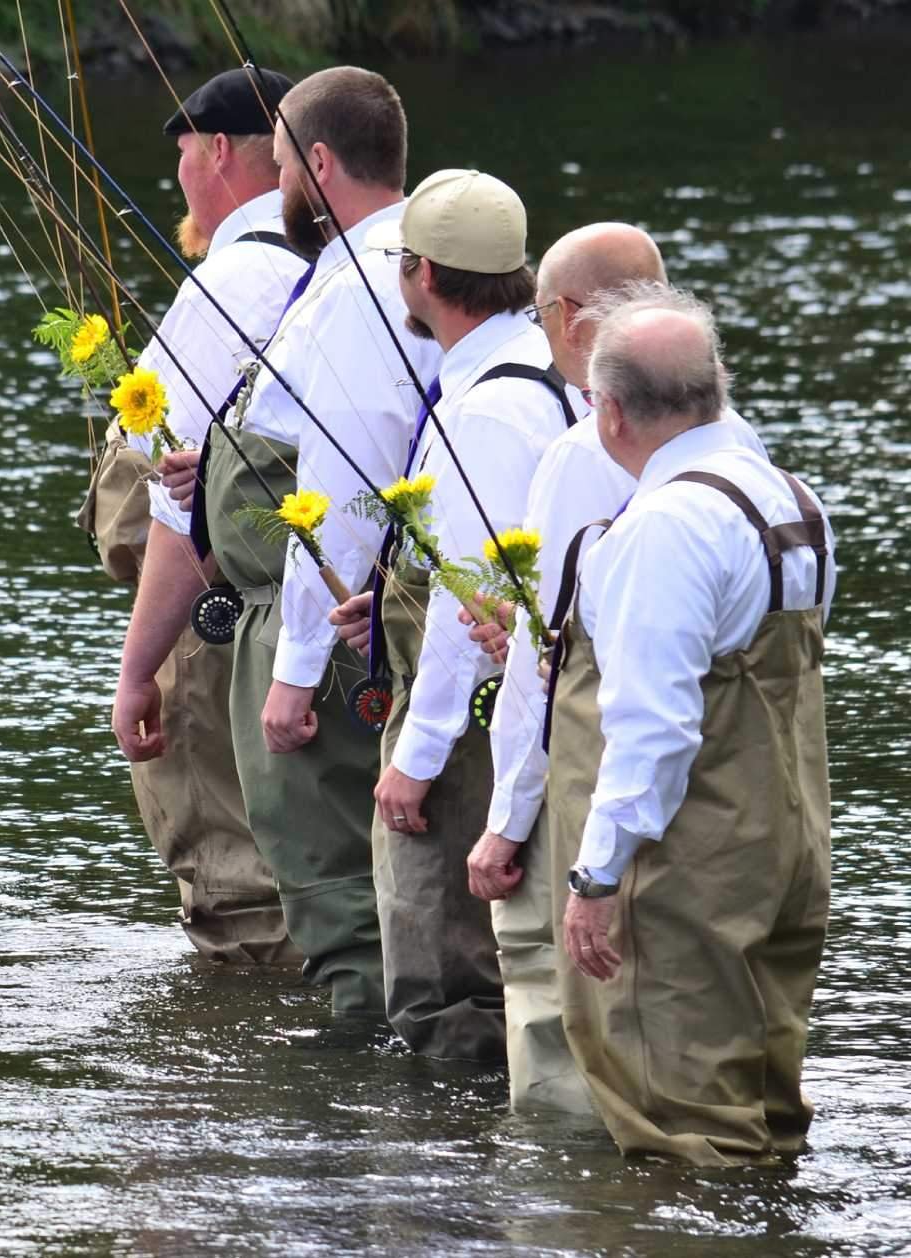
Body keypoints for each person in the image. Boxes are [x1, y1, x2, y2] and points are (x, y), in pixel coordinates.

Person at [464, 228, 769, 1110]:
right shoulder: (736, 444)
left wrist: (504, 820)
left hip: (599, 802)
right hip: (727, 813)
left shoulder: (580, 456)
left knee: (562, 1034)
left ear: (565, 318)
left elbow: (546, 661)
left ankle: (569, 1229)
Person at [547, 290, 833, 1164]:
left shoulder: (664, 525)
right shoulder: (792, 499)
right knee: (766, 1111)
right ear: (716, 389)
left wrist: (595, 878)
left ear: (611, 410)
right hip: (784, 841)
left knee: (680, 1128)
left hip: (687, 862)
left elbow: (652, 729)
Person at [188, 65, 441, 1015]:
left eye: (285, 163)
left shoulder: (359, 292)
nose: (277, 187)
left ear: (319, 163)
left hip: (337, 635)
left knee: (337, 890)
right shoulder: (392, 271)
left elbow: (338, 497)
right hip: (362, 620)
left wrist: (294, 671)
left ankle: (362, 1120)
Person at [334, 168, 574, 1063]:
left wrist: (415, 757)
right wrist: (392, 597)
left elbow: (469, 604)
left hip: (472, 729)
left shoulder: (486, 408)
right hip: (521, 697)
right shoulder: (545, 371)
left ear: (425, 275)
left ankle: (448, 1187)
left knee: (444, 981)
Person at [110, 68, 304, 966]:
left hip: (224, 619)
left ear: (219, 150)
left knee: (233, 880)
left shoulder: (233, 278)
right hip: (332, 618)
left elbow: (174, 509)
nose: (180, 175)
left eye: (184, 152)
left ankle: (243, 1070)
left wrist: (137, 667)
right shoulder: (363, 268)